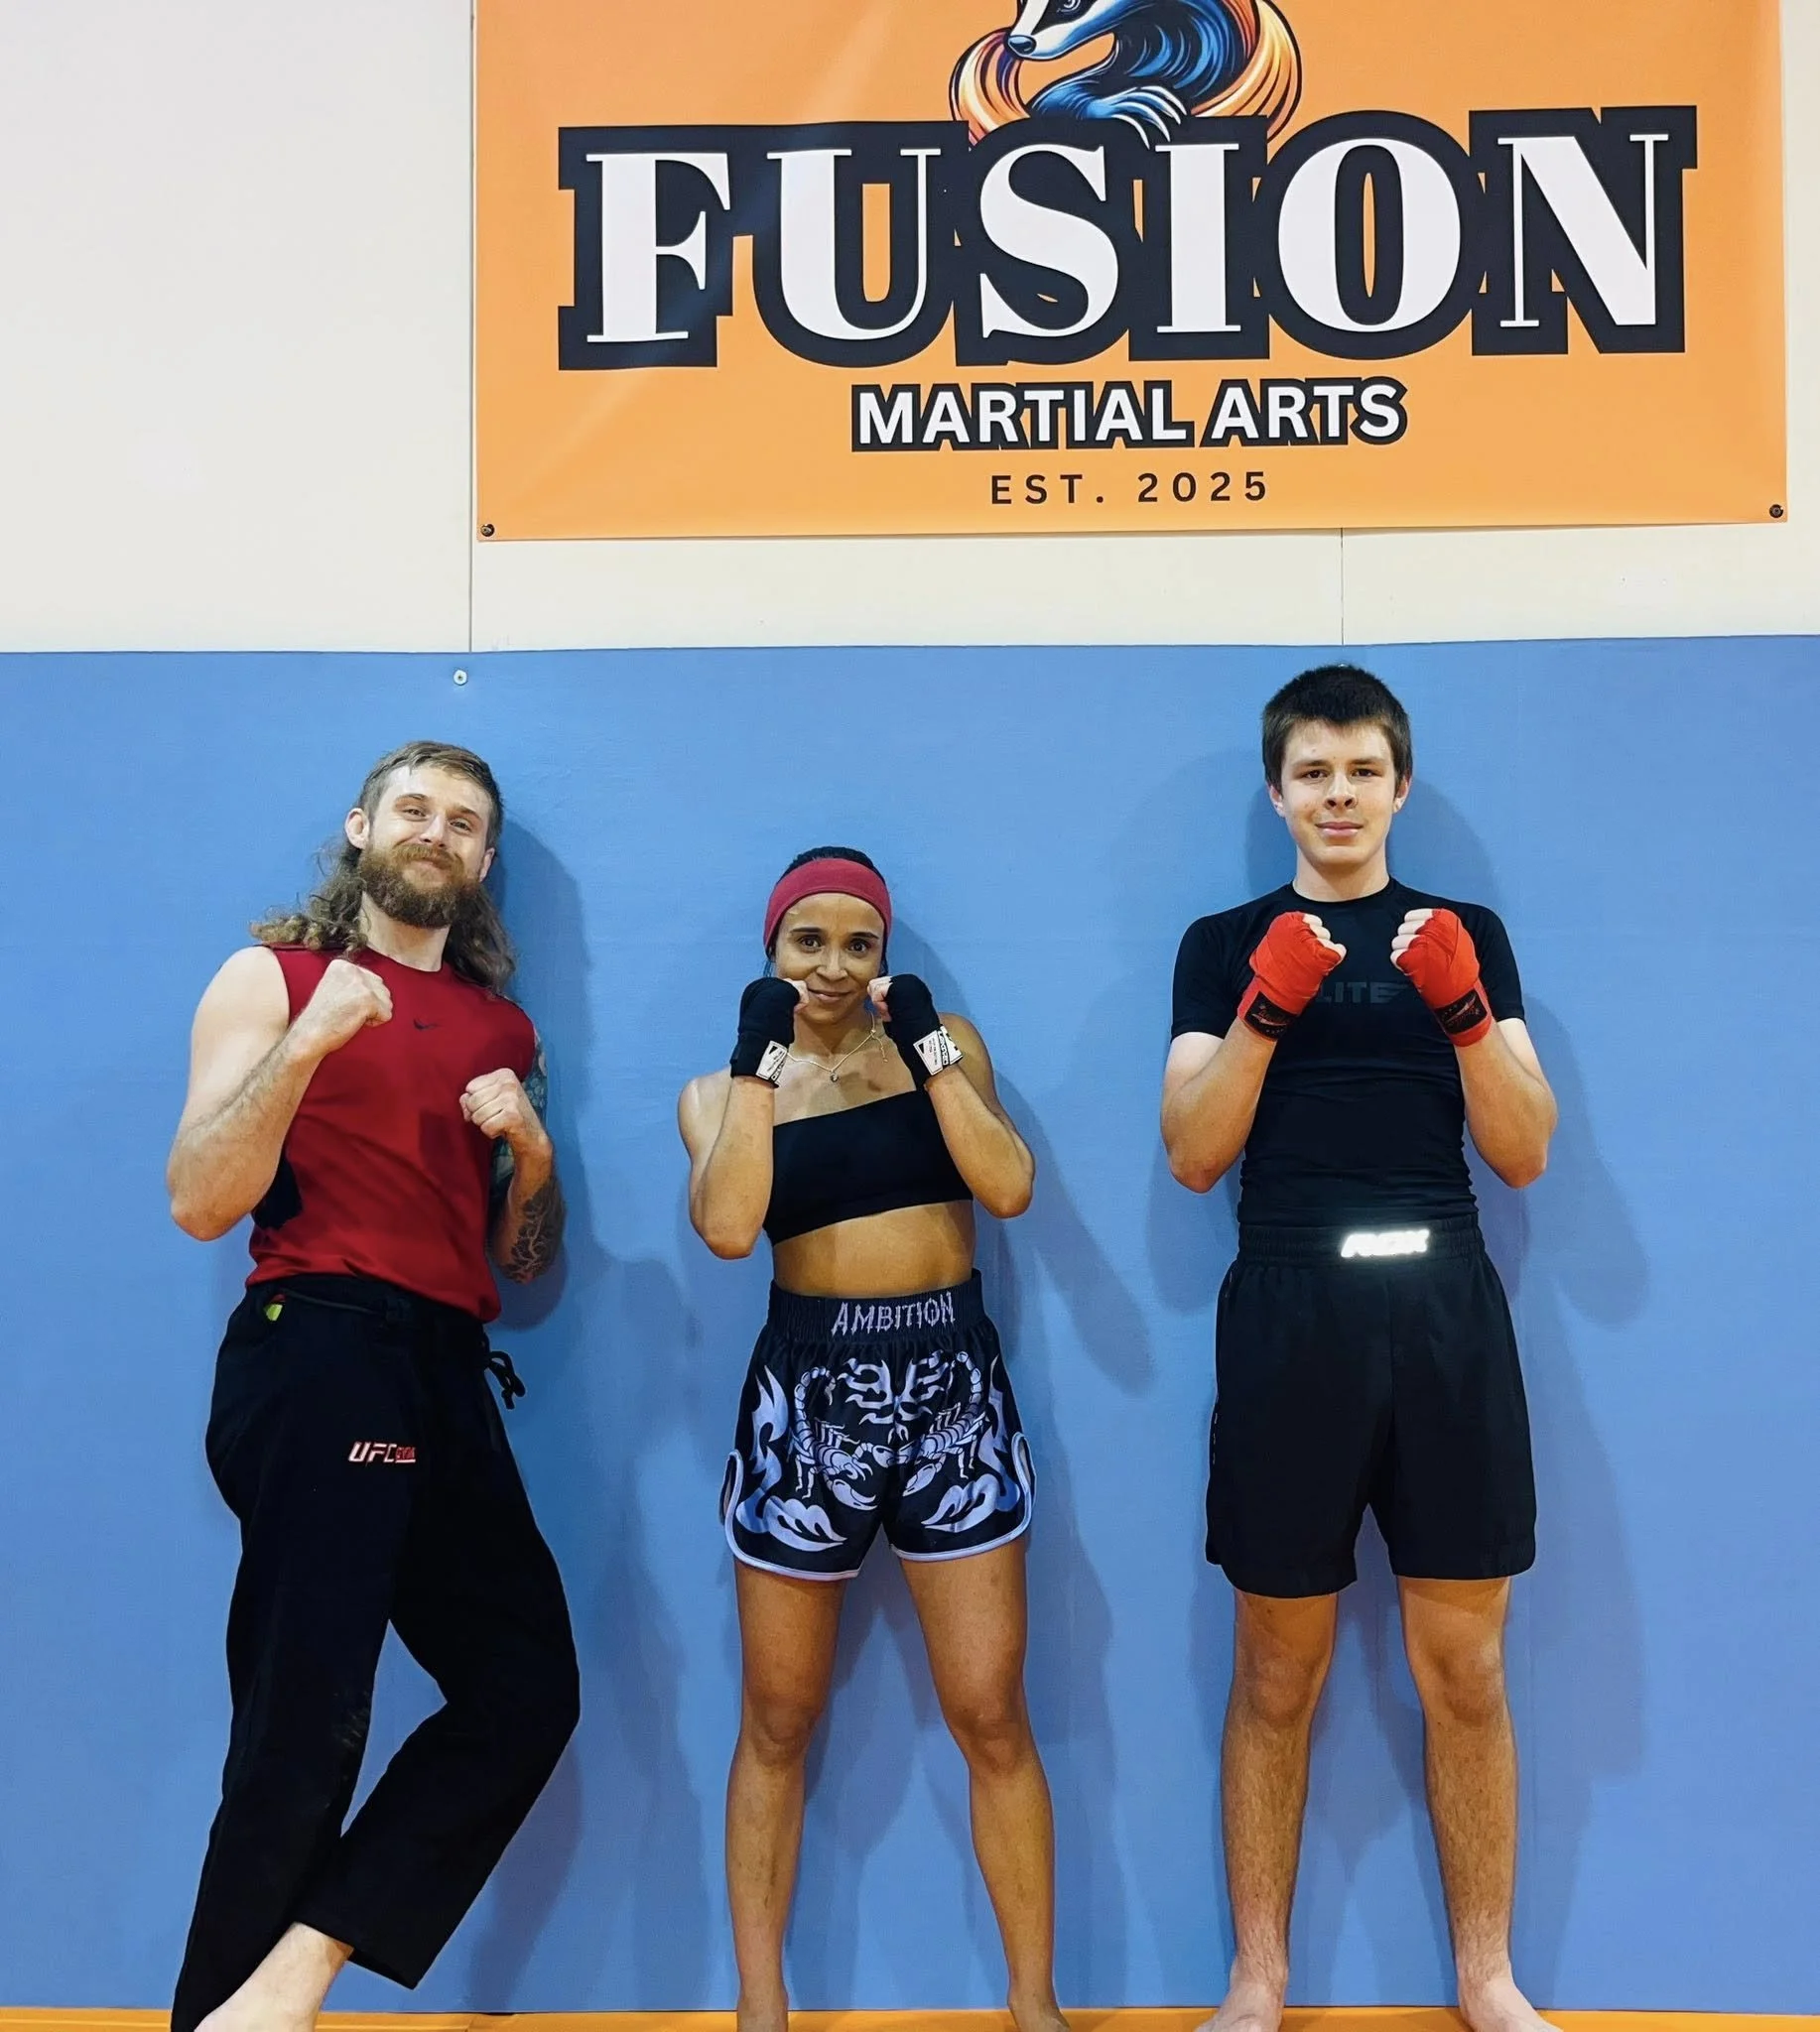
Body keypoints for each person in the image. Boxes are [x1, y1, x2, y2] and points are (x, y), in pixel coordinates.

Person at [1160, 669, 1558, 2032]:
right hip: (1288, 1311)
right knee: (1277, 1670)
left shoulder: (1467, 934)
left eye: (1361, 772)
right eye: (1312, 773)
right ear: (1277, 791)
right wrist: (1265, 1010)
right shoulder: (1220, 945)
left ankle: (1485, 1979)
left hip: (1443, 1308)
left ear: (1399, 786)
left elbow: (1522, 1148)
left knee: (1468, 1671)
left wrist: (1458, 1009)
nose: (1337, 795)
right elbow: (1192, 1151)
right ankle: (1255, 1982)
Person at [165, 741, 580, 2032]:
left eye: (465, 821)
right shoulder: (269, 977)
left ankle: (285, 1985)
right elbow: (199, 1198)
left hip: (445, 1366)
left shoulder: (503, 1030)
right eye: (414, 807)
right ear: (360, 826)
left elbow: (522, 1261)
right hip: (318, 1346)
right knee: (307, 1721)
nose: (437, 832)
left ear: (484, 859)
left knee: (526, 1691)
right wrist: (302, 1047)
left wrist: (531, 1149)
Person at [677, 848, 1067, 2032]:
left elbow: (1007, 1187)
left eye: (859, 943)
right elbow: (729, 1227)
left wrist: (932, 1046)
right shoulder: (715, 1090)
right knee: (778, 1715)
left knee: (991, 1708)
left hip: (952, 1385)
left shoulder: (944, 1044)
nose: (834, 966)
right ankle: (760, 2008)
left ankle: (1033, 2005)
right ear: (771, 949)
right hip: (808, 1402)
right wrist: (756, 1071)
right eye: (809, 942)